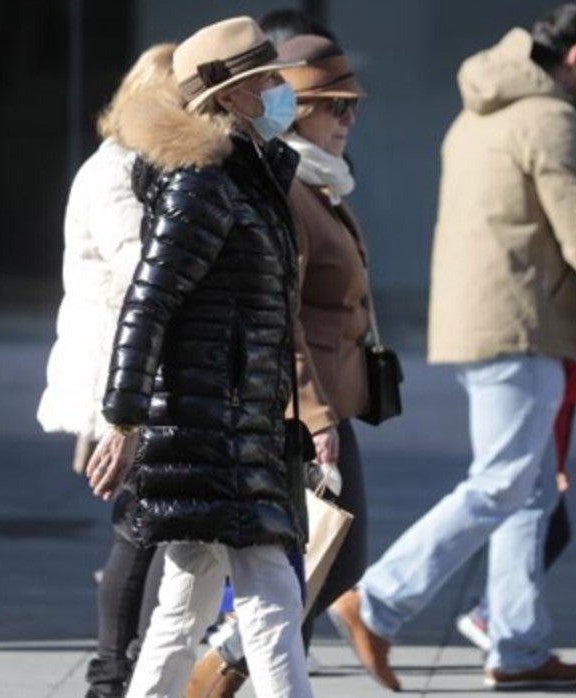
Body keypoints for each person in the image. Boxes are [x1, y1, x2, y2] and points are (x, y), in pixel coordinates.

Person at [328, 3, 576, 690]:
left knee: (527, 495)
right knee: (499, 484)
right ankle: (378, 602)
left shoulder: (479, 115)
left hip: (480, 322)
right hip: (521, 326)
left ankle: (517, 647)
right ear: (574, 59)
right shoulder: (549, 119)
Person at [85, 16, 313, 698]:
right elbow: (147, 303)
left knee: (184, 606)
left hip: (232, 422)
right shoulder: (203, 184)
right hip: (212, 425)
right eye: (267, 80)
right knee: (272, 593)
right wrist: (123, 422)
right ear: (232, 96)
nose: (280, 91)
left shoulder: (245, 179)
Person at [185, 33, 374, 697]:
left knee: (319, 566)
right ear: (298, 111)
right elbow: (278, 314)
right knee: (312, 564)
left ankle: (233, 661)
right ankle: (224, 661)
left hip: (328, 402)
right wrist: (314, 411)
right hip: (298, 408)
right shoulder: (289, 188)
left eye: (353, 107)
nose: (348, 120)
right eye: (335, 107)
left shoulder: (317, 182)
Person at [35, 44, 177, 698]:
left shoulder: (146, 168)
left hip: (142, 370)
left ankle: (132, 665)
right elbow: (141, 269)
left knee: (147, 519)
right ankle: (111, 673)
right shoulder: (116, 173)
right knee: (140, 521)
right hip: (123, 375)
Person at [456, 346, 576, 652]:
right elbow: (571, 383)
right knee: (534, 529)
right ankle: (486, 615)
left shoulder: (549, 341)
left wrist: (557, 466)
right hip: (534, 456)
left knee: (542, 532)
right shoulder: (545, 341)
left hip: (541, 455)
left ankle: (496, 619)